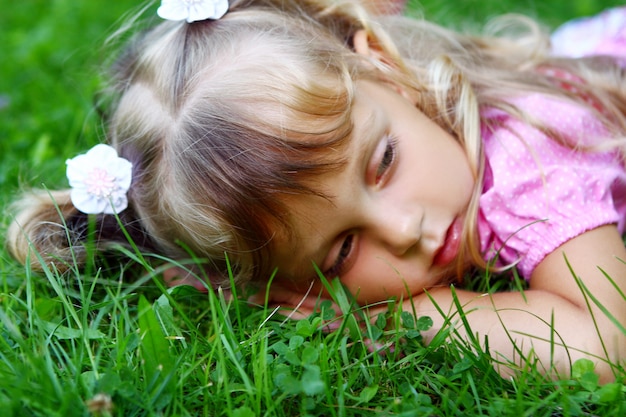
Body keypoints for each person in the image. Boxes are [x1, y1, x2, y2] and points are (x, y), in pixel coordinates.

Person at [6, 0, 626, 382]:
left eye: (383, 162)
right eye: (342, 253)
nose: (406, 230)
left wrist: (406, 313)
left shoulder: (529, 147)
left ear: (382, 62)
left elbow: (604, 346)